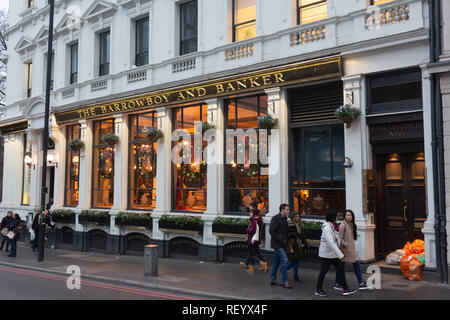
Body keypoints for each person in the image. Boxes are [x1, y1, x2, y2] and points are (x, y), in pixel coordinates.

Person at [315, 209, 356, 297]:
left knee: (341, 268)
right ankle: (318, 289)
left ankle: (345, 288)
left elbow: (336, 240)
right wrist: (340, 254)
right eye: (337, 216)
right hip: (326, 255)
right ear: (333, 217)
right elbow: (331, 243)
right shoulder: (327, 228)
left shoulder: (333, 226)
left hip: (332, 254)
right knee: (323, 272)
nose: (338, 217)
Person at [334, 210, 369, 290]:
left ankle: (360, 283)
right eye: (347, 215)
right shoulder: (343, 225)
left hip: (351, 250)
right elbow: (339, 237)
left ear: (352, 217)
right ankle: (338, 283)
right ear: (344, 216)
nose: (348, 217)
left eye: (350, 215)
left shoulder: (352, 225)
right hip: (344, 250)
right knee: (341, 266)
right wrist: (345, 244)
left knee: (353, 265)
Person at [269, 203, 292, 289]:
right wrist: (280, 239)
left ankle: (272, 279)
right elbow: (271, 231)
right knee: (285, 260)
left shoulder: (285, 218)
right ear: (282, 210)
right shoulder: (275, 218)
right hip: (277, 244)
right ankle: (285, 281)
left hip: (283, 243)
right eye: (287, 210)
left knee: (276, 262)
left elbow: (284, 231)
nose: (288, 211)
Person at [240, 202, 268, 273]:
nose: (249, 213)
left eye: (251, 212)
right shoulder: (257, 218)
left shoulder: (254, 219)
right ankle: (251, 266)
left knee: (251, 253)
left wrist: (247, 230)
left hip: (252, 239)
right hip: (255, 238)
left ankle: (262, 263)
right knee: (255, 253)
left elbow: (252, 229)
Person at [286, 211, 308, 282]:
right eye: (297, 217)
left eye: (299, 217)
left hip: (297, 244)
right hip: (292, 245)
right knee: (294, 261)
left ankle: (295, 275)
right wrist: (294, 234)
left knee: (295, 261)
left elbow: (301, 235)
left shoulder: (297, 225)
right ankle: (285, 269)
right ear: (293, 218)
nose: (298, 218)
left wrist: (305, 242)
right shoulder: (290, 224)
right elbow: (287, 235)